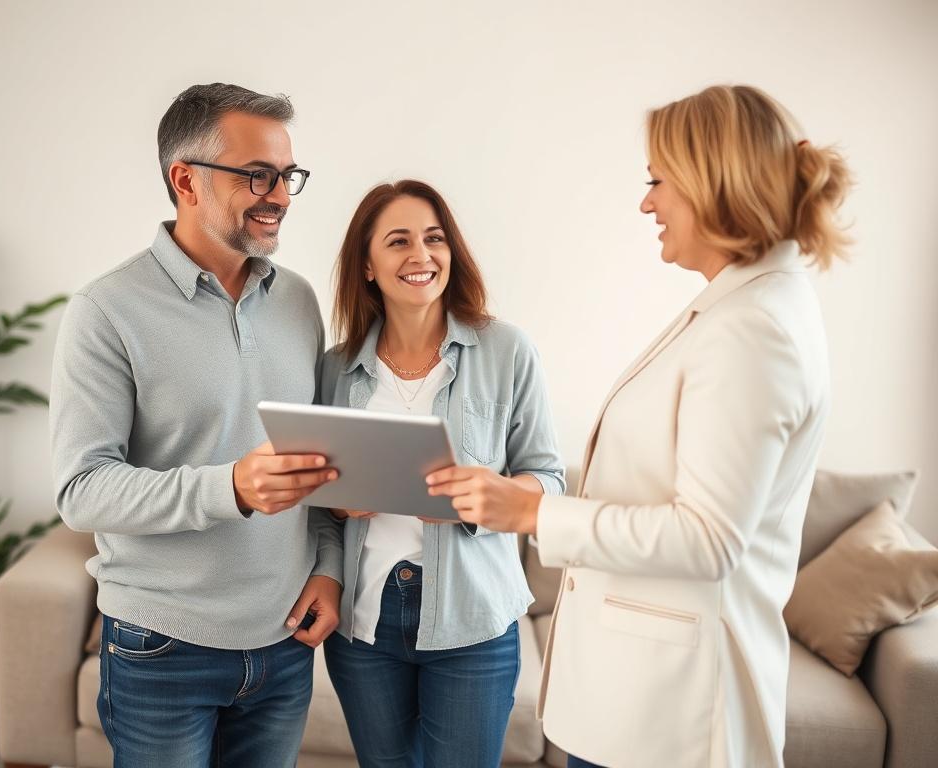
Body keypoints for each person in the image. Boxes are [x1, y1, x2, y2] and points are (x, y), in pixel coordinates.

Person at [428, 85, 851, 767]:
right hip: (645, 703)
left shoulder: (752, 330)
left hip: (670, 715)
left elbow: (708, 538)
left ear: (713, 180)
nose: (646, 202)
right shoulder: (743, 307)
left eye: (657, 180)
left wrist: (537, 512)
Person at [49, 83, 342, 768]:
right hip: (162, 649)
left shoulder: (297, 300)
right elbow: (81, 490)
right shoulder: (105, 310)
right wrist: (230, 487)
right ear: (185, 180)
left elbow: (323, 462)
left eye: (288, 175)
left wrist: (328, 568)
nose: (280, 195)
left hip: (283, 644)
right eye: (257, 175)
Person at [320, 180, 565, 768]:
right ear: (369, 266)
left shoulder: (506, 350)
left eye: (435, 239)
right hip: (365, 625)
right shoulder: (335, 370)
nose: (421, 256)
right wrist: (336, 504)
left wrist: (486, 497)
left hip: (473, 622)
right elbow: (318, 502)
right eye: (399, 241)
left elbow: (548, 481)